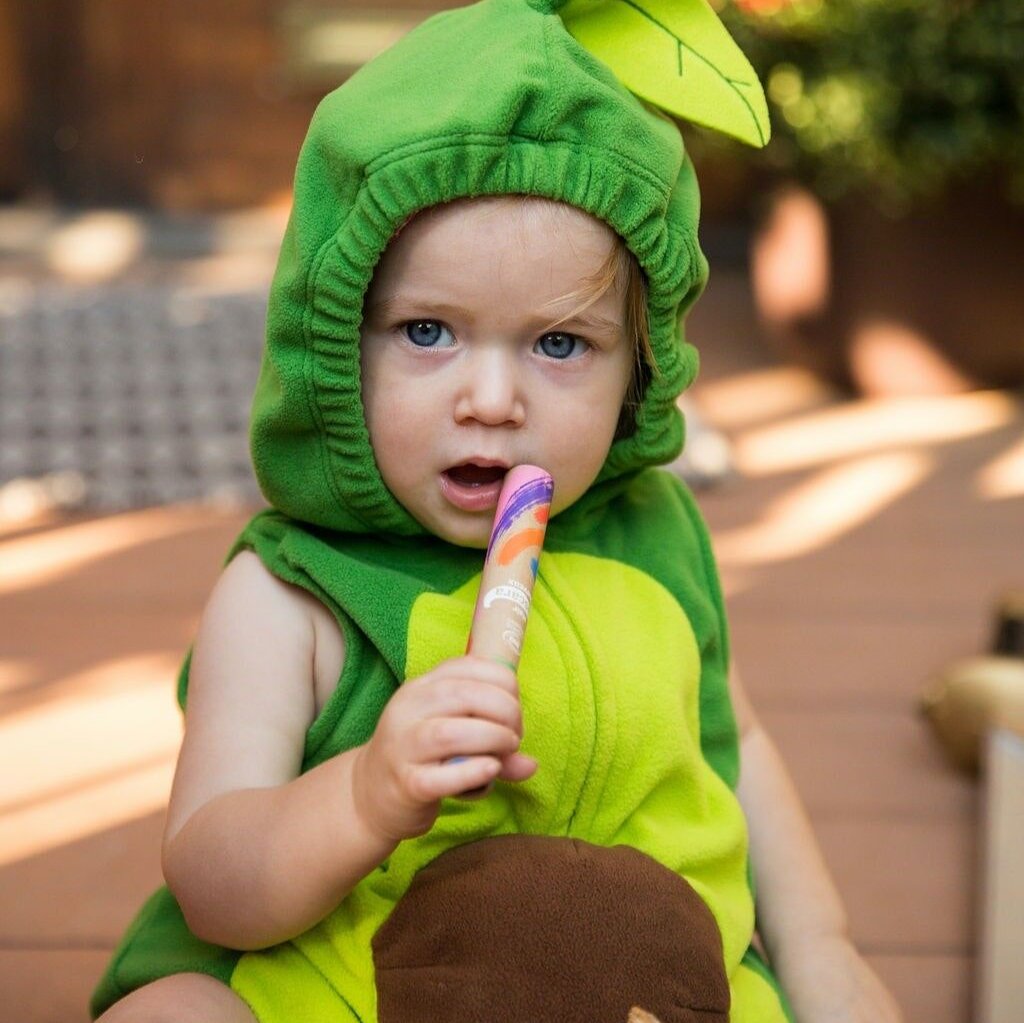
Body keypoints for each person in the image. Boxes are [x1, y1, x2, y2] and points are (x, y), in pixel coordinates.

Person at [92, 1, 903, 1020]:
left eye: (558, 345)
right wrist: (363, 793)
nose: (490, 399)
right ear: (338, 343)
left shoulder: (656, 543)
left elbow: (735, 754)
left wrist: (820, 950)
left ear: (640, 370)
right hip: (341, 983)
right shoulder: (286, 596)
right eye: (427, 331)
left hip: (647, 983)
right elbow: (213, 882)